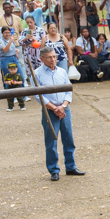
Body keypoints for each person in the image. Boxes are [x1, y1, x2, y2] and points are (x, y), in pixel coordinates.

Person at [34, 45, 82, 180]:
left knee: (69, 139)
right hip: (49, 111)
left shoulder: (61, 71)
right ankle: (54, 170)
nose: (53, 60)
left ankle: (71, 166)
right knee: (51, 141)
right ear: (42, 59)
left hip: (64, 109)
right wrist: (54, 108)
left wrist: (63, 106)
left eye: (54, 56)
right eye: (49, 57)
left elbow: (68, 90)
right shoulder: (37, 73)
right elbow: (38, 95)